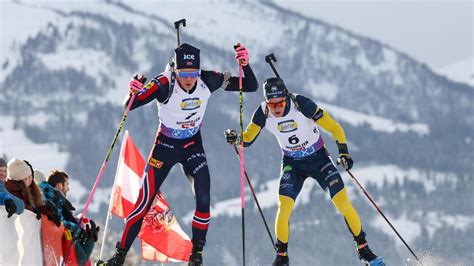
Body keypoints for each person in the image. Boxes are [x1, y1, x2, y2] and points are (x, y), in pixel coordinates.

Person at [105, 43, 258, 266]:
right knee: (144, 202)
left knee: (204, 198)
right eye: (183, 73)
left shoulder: (209, 79)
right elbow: (129, 105)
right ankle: (119, 255)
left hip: (192, 145)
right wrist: (132, 90)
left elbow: (250, 85)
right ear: (175, 71)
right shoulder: (164, 83)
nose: (189, 78)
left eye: (193, 73)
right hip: (165, 146)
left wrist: (245, 65)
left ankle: (196, 254)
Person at [224, 77, 384, 266]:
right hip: (293, 164)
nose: (276, 108)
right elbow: (248, 139)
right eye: (272, 104)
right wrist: (236, 139)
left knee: (343, 204)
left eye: (281, 103)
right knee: (284, 208)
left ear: (286, 98)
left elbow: (334, 127)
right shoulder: (263, 112)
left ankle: (363, 249)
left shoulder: (301, 104)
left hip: (319, 161)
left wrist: (344, 153)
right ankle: (282, 257)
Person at [41, 170, 99, 264]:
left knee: (85, 259)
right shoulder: (53, 198)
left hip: (64, 237)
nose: (68, 189)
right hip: (62, 238)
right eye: (67, 184)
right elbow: (61, 222)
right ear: (60, 186)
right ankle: (91, 238)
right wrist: (78, 229)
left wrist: (78, 224)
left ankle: (91, 237)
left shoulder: (55, 197)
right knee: (83, 260)